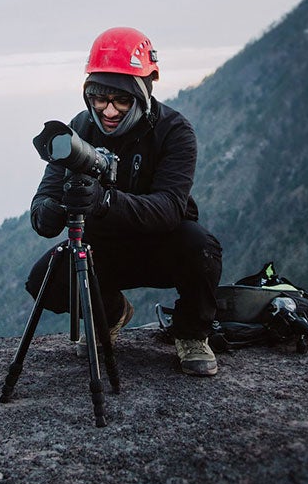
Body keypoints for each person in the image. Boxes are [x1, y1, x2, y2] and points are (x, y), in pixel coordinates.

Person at [28, 26, 225, 376]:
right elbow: (44, 200)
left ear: (143, 93)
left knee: (201, 248)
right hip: (103, 248)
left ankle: (193, 334)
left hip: (163, 245)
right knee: (45, 280)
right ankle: (112, 311)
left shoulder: (174, 131)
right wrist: (52, 210)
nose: (108, 111)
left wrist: (105, 201)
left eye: (121, 100)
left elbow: (168, 208)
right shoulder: (79, 129)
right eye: (99, 99)